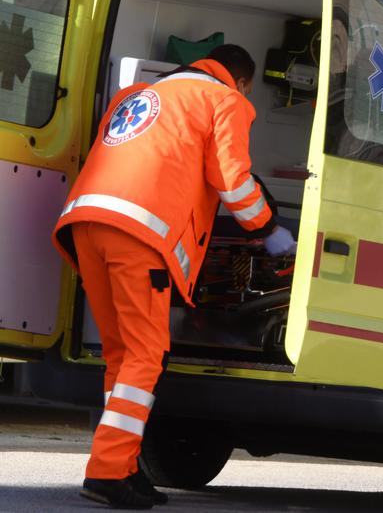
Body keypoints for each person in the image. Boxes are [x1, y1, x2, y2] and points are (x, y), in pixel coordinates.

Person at [52, 44, 275, 509]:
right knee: (146, 355)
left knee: (122, 354)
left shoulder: (138, 95)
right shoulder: (225, 101)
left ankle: (126, 466)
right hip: (139, 235)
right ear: (243, 82)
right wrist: (269, 228)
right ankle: (107, 472)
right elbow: (233, 183)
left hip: (86, 224)